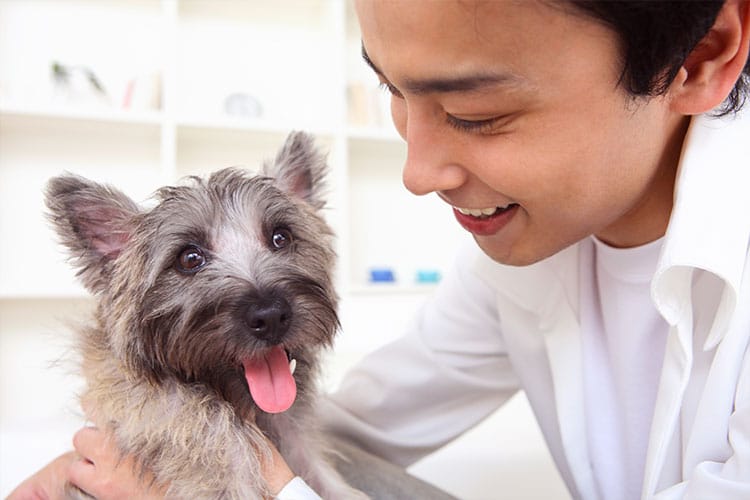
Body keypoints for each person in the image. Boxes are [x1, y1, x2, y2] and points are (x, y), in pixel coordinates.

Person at [9, 0, 750, 498]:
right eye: (393, 91)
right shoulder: (523, 261)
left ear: (698, 59)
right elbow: (353, 428)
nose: (415, 173)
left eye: (475, 113)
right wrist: (122, 456)